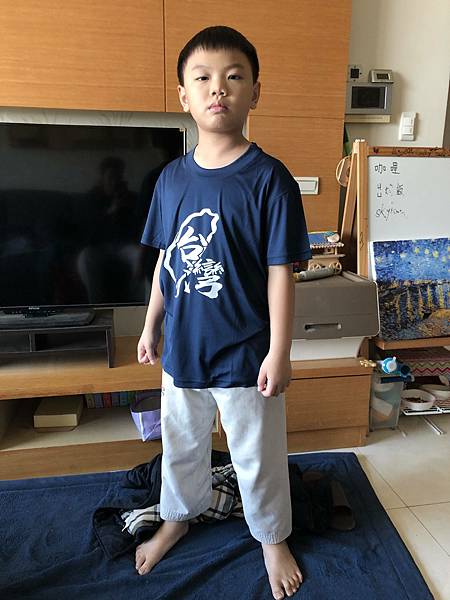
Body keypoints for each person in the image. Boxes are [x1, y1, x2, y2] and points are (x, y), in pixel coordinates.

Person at [136, 25, 311, 600]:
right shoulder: (170, 179)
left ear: (255, 92)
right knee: (182, 447)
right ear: (183, 95)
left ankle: (272, 537)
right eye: (203, 78)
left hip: (245, 352)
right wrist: (151, 324)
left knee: (258, 457)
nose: (219, 89)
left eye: (234, 77)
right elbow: (166, 261)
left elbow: (281, 272)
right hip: (183, 351)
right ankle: (177, 518)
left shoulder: (270, 180)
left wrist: (279, 352)